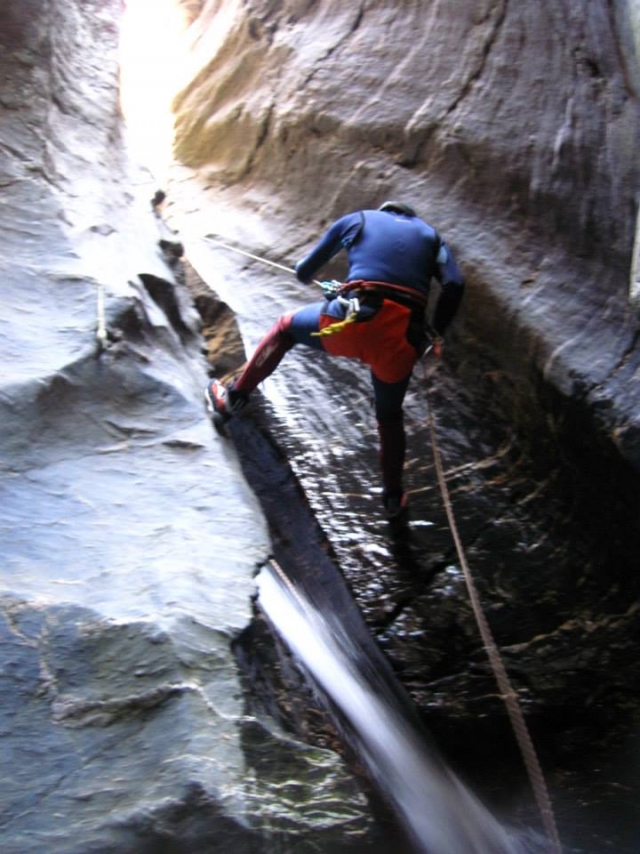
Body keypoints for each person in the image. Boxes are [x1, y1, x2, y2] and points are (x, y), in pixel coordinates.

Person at [205, 201, 464, 518]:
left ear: (385, 211)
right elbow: (454, 284)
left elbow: (303, 271)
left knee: (285, 329)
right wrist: (434, 333)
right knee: (390, 417)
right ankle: (393, 499)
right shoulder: (432, 238)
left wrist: (333, 289)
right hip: (399, 341)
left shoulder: (359, 220)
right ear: (411, 217)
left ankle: (233, 398)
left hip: (350, 321)